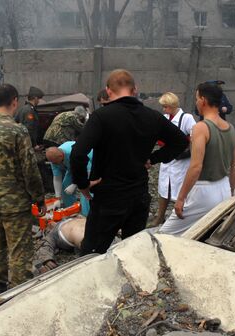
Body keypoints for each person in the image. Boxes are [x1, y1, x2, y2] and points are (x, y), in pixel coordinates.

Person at [71, 69, 187, 255]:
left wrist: (83, 184)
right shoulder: (153, 116)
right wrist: (153, 158)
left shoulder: (101, 117)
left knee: (91, 254)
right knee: (133, 253)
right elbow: (181, 141)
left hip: (109, 197)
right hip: (138, 197)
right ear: (135, 90)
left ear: (108, 91)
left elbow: (77, 153)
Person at [0, 84, 46, 293]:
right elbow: (30, 169)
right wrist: (39, 198)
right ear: (15, 100)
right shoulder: (17, 130)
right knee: (20, 248)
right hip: (15, 203)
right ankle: (20, 291)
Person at [159, 82, 235, 236]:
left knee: (165, 235)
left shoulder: (201, 127)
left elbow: (196, 167)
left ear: (203, 100)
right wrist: (229, 191)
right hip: (223, 187)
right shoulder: (231, 128)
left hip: (203, 190)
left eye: (196, 98)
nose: (196, 102)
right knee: (203, 233)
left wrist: (181, 198)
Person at [150, 92, 196, 227]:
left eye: (166, 107)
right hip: (168, 158)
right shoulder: (165, 118)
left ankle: (177, 218)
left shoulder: (186, 118)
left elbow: (194, 135)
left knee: (179, 189)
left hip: (181, 161)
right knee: (164, 188)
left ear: (172, 105)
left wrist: (190, 151)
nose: (164, 110)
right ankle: (160, 217)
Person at [46, 142, 92, 216]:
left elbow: (88, 171)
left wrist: (75, 184)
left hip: (91, 166)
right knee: (65, 188)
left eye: (56, 163)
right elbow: (57, 178)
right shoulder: (54, 159)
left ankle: (87, 216)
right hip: (73, 168)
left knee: (85, 191)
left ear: (61, 156)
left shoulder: (74, 153)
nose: (55, 165)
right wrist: (57, 198)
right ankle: (71, 212)